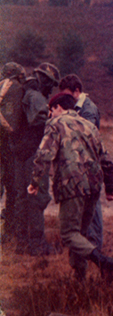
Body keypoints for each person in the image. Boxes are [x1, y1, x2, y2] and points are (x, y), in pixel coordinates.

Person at [27, 91, 113, 281]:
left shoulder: (55, 124)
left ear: (59, 107)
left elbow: (44, 154)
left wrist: (34, 182)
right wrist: (109, 188)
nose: (50, 115)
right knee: (80, 234)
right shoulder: (89, 125)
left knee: (69, 234)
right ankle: (79, 277)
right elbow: (107, 160)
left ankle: (101, 261)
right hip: (93, 186)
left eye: (51, 111)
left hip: (71, 185)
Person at [13, 63, 58, 255]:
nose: (51, 88)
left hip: (18, 153)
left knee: (22, 198)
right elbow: (41, 118)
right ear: (44, 79)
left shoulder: (23, 92)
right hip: (32, 155)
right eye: (51, 83)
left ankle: (22, 243)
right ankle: (37, 244)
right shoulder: (35, 96)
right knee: (37, 197)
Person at [59, 74, 103, 250]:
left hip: (89, 166)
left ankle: (95, 246)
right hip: (82, 166)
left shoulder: (88, 110)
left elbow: (87, 137)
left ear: (77, 92)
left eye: (68, 94)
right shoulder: (78, 107)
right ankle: (87, 245)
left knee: (93, 209)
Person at [0, 63, 26, 244]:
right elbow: (13, 123)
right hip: (8, 147)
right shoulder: (17, 88)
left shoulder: (1, 86)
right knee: (12, 188)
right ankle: (9, 231)